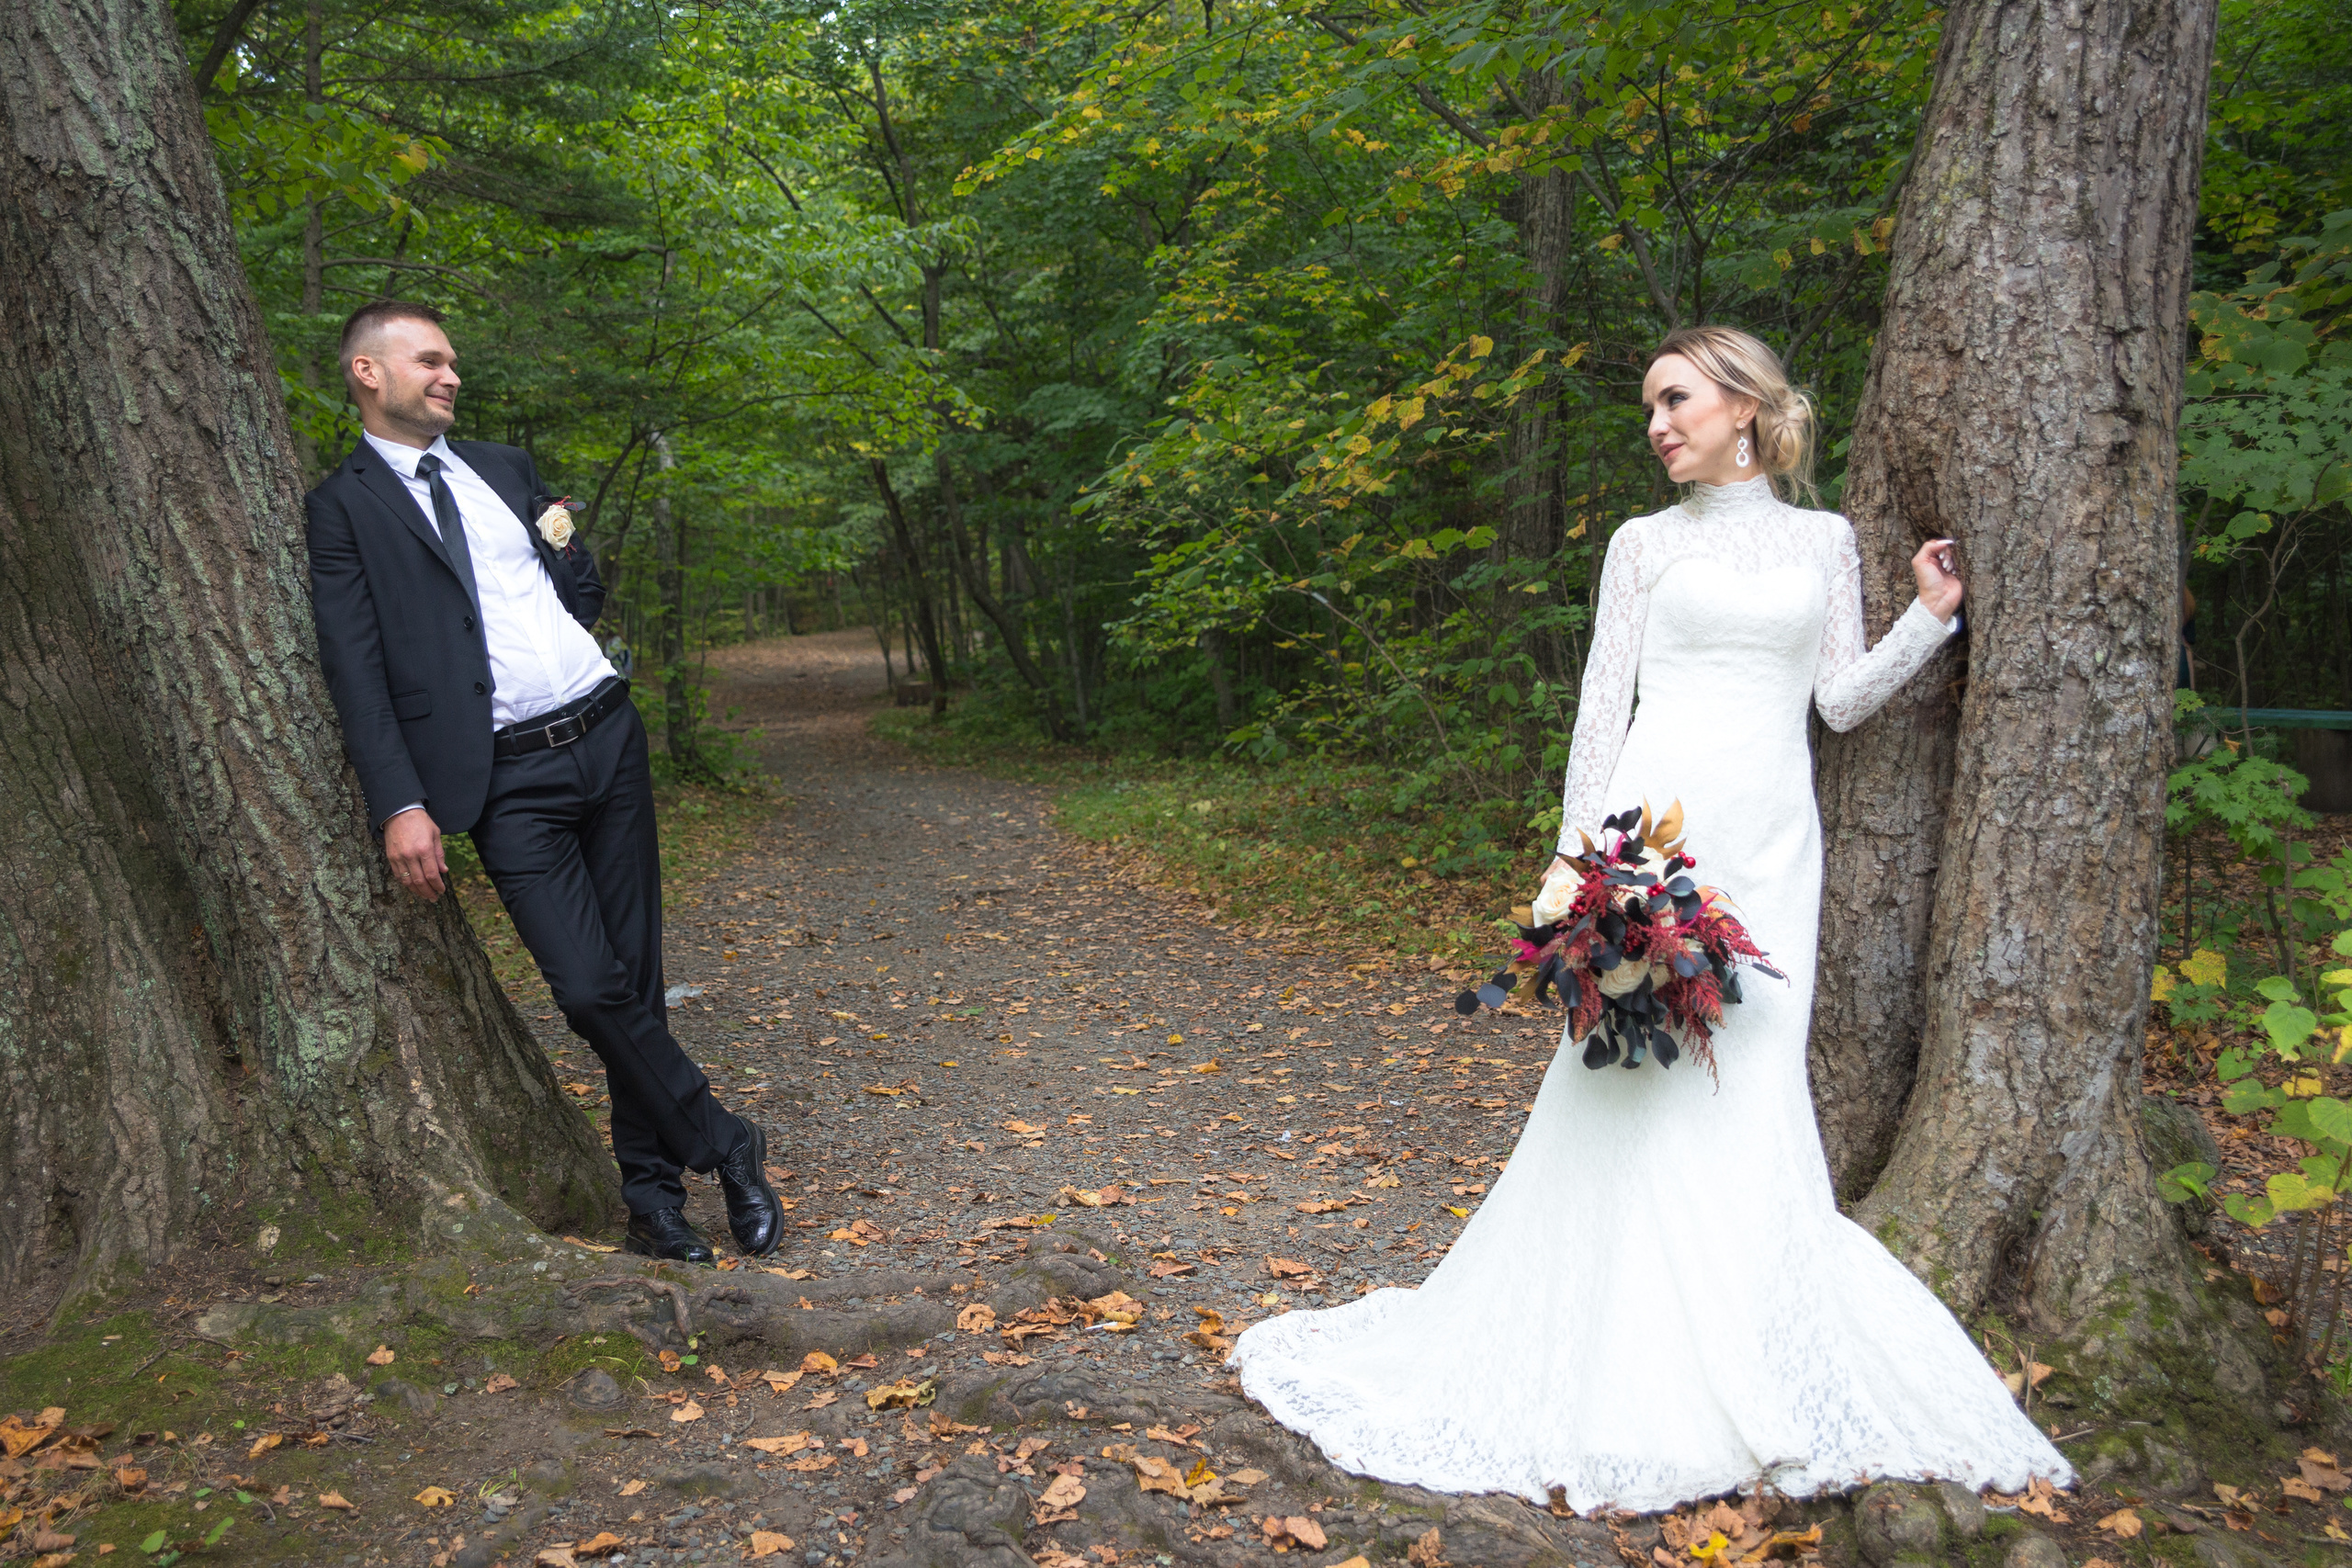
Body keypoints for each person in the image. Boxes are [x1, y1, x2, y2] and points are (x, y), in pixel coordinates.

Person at [1229, 326, 2071, 1509]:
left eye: (1676, 400)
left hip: (1771, 849)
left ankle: (1741, 1335)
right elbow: (1597, 707)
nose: (1658, 425)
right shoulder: (1640, 546)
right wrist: (1579, 871)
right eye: (1647, 409)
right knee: (1627, 1081)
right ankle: (1611, 1351)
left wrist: (1929, 620)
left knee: (1747, 1084)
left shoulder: (1823, 541)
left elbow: (1834, 701)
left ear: (1744, 406)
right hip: (1650, 838)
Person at [304, 299, 783, 1265]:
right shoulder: (343, 506)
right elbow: (353, 666)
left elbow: (574, 577)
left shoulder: (503, 467)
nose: (449, 377)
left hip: (607, 736)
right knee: (585, 989)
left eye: (453, 364)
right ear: (368, 372)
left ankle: (653, 1203)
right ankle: (726, 1142)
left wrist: (572, 583)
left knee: (634, 982)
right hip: (503, 779)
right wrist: (399, 802)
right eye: (429, 361)